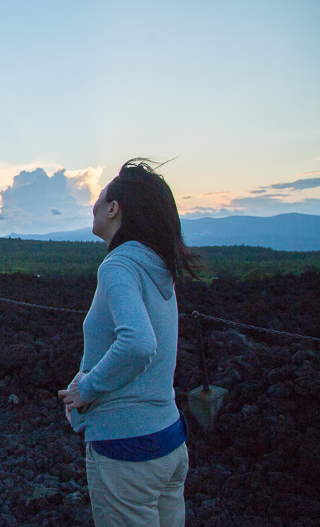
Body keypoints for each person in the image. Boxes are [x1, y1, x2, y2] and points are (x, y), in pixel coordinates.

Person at [58, 158, 199, 527]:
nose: (95, 199)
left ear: (113, 208)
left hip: (127, 453)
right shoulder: (157, 265)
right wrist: (82, 381)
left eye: (101, 193)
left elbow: (138, 344)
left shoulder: (118, 266)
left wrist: (87, 388)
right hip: (169, 442)